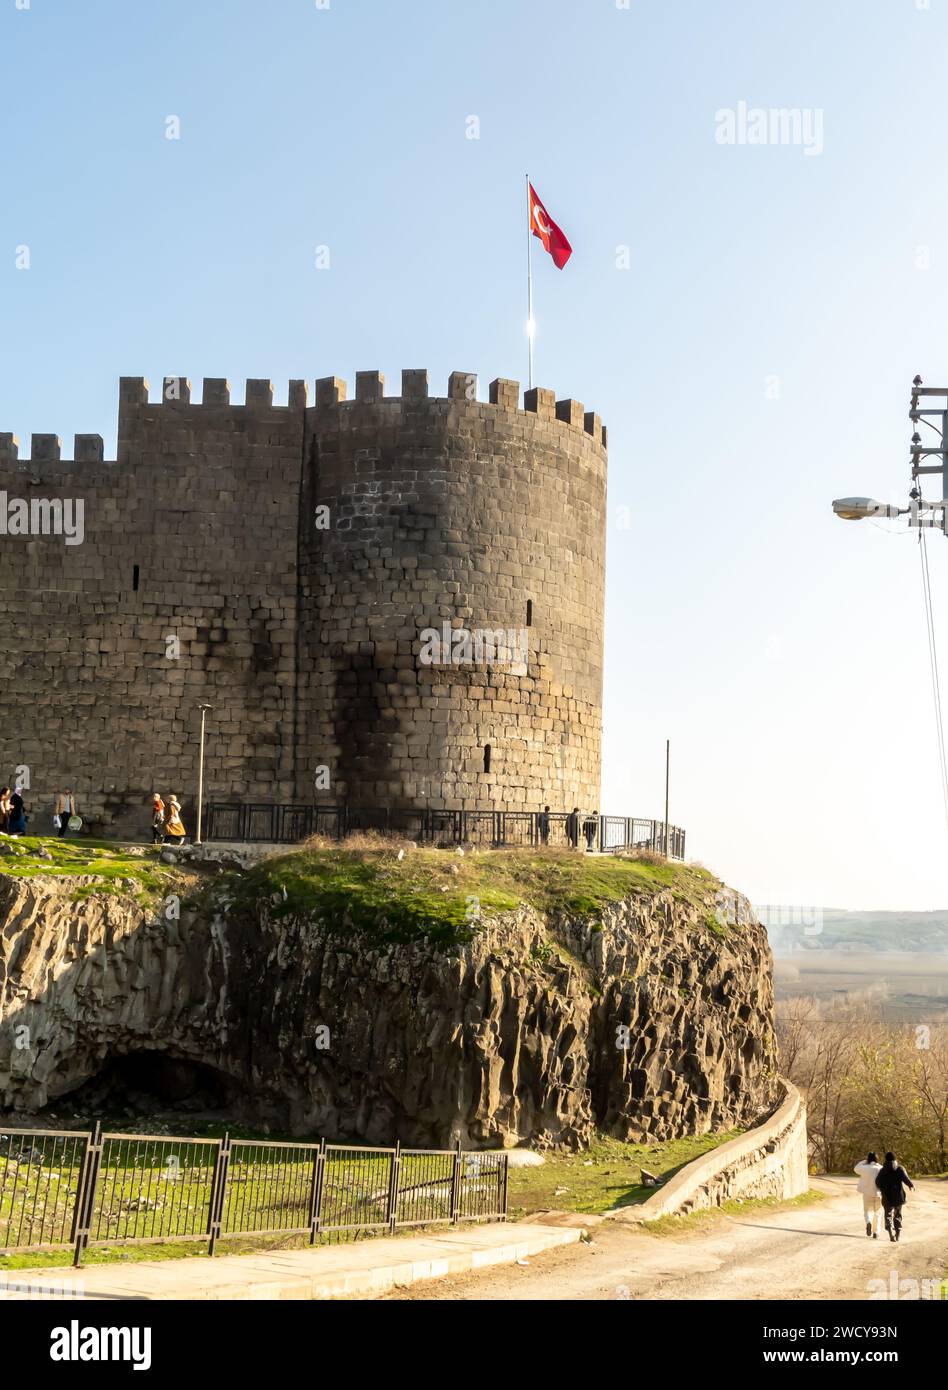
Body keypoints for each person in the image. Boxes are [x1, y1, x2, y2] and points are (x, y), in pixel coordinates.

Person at [875, 1151, 915, 1243]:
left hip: (887, 1196)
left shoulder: (882, 1170)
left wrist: (883, 1189)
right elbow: (906, 1179)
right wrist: (911, 1186)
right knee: (898, 1215)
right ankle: (897, 1235)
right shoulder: (900, 1168)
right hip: (898, 1196)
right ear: (895, 1159)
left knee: (888, 1215)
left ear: (886, 1159)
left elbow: (877, 1182)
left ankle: (890, 1234)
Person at [854, 1151, 883, 1238]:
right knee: (878, 1212)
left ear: (868, 1159)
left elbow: (856, 1168)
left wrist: (864, 1161)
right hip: (878, 1193)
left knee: (867, 1210)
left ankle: (868, 1222)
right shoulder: (880, 1168)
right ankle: (876, 1232)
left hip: (867, 1193)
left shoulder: (864, 1168)